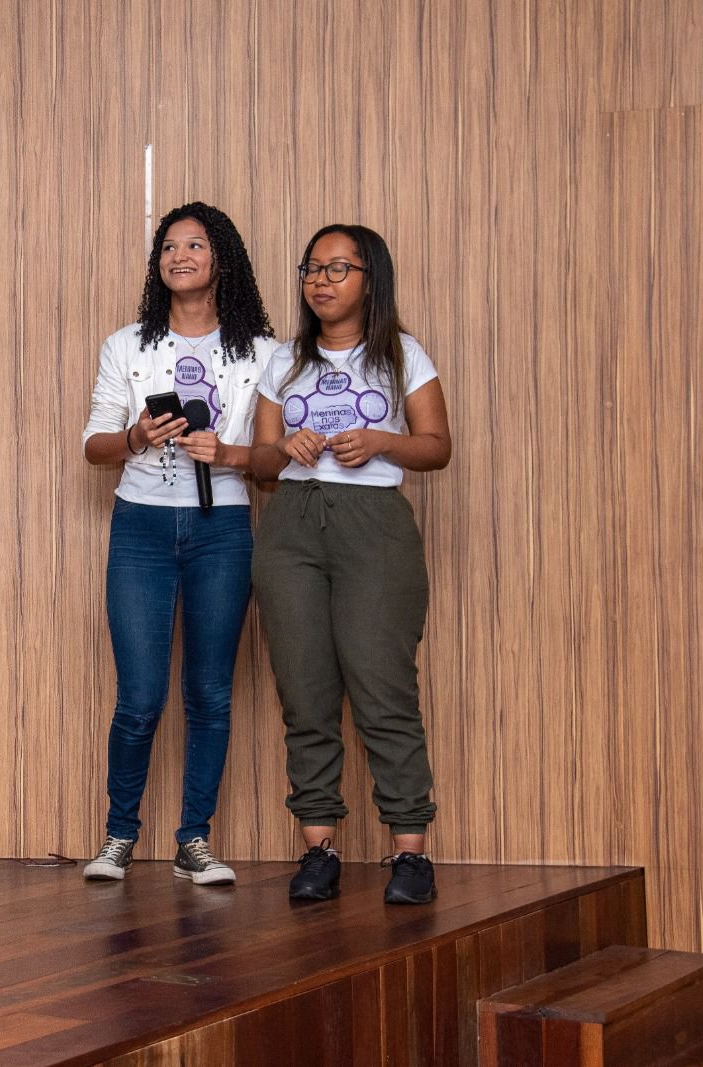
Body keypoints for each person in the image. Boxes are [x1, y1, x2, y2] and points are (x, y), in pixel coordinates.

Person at [249, 223, 451, 905]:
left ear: (371, 279)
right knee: (305, 690)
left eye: (338, 268)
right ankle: (319, 849)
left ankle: (410, 852)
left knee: (381, 685)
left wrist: (383, 440)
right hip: (293, 527)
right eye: (313, 267)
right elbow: (260, 465)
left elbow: (437, 447)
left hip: (375, 528)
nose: (321, 280)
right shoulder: (284, 360)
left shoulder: (403, 355)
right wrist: (287, 448)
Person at [80, 202, 277, 885]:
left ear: (222, 258)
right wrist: (137, 435)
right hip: (140, 528)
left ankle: (194, 838)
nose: (179, 255)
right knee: (139, 697)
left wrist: (227, 451)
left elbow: (277, 462)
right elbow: (93, 445)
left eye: (195, 244)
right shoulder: (125, 345)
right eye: (168, 247)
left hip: (222, 529)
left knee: (209, 694)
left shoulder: (264, 354)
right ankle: (118, 835)